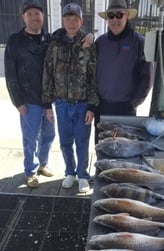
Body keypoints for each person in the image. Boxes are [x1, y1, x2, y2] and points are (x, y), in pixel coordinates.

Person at [42, 3, 99, 193]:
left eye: (75, 19)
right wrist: (47, 104)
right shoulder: (54, 44)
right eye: (68, 19)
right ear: (63, 20)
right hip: (61, 103)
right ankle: (70, 172)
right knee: (66, 141)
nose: (71, 23)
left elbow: (94, 76)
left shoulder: (90, 44)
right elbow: (48, 74)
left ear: (81, 21)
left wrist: (92, 105)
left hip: (82, 104)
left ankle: (83, 174)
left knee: (82, 141)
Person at [4, 0, 55, 188]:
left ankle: (43, 164)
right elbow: (10, 73)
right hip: (28, 100)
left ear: (43, 16)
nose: (34, 17)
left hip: (48, 100)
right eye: (30, 14)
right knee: (30, 138)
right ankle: (30, 171)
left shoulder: (49, 39)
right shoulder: (15, 41)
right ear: (23, 17)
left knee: (49, 135)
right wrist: (17, 101)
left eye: (37, 13)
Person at [96, 0, 154, 118]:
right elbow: (91, 74)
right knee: (101, 137)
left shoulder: (139, 42)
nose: (115, 19)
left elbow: (147, 78)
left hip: (126, 109)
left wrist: (133, 104)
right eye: (111, 15)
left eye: (119, 15)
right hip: (101, 106)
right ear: (107, 19)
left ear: (126, 16)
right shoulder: (100, 43)